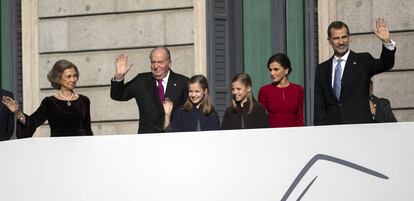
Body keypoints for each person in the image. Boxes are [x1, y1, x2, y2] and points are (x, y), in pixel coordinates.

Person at [314, 18, 396, 125]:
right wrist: (319, 130)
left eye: (344, 37)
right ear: (329, 41)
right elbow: (319, 105)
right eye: (336, 38)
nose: (341, 42)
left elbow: (386, 64)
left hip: (359, 127)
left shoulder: (363, 60)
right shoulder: (322, 69)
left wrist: (386, 42)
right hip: (332, 129)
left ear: (349, 38)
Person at [1, 60, 93, 137]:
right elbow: (32, 123)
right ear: (58, 78)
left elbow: (88, 130)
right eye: (68, 76)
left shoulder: (84, 100)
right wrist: (18, 112)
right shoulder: (50, 102)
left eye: (75, 75)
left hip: (80, 149)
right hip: (58, 150)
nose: (73, 80)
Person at [110, 47, 189, 134]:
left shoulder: (183, 82)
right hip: (147, 139)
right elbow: (117, 95)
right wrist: (119, 76)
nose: (156, 66)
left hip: (175, 138)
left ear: (169, 63)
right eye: (153, 62)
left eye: (160, 62)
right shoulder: (141, 81)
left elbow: (190, 112)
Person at [258, 53, 304, 127]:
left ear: (286, 70)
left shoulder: (298, 90)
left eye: (276, 69)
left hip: (294, 135)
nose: (272, 73)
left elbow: (300, 117)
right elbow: (260, 119)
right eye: (270, 70)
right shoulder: (264, 91)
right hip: (272, 135)